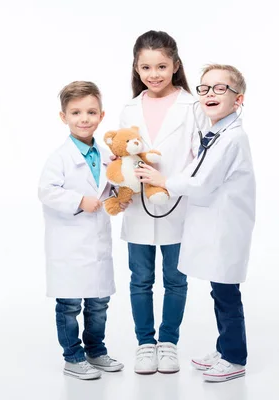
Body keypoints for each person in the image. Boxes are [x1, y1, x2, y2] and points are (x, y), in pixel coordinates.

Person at [134, 64, 255, 382]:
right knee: (219, 289)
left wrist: (163, 180)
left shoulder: (232, 139)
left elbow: (201, 182)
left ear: (238, 99)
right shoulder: (216, 134)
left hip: (227, 227)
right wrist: (170, 179)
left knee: (227, 292)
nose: (209, 94)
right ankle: (224, 346)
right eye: (204, 88)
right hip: (215, 225)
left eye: (219, 88)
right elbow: (193, 170)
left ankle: (234, 356)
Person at [119, 30, 207, 375]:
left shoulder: (193, 106)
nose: (153, 74)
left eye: (160, 66)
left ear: (175, 66)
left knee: (175, 279)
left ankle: (168, 342)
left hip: (177, 203)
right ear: (136, 69)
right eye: (146, 67)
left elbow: (202, 158)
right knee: (140, 279)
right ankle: (145, 344)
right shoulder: (129, 108)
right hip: (138, 207)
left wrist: (173, 182)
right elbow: (121, 152)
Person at [38, 81, 125, 380]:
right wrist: (79, 201)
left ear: (101, 116)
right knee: (70, 303)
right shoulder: (59, 157)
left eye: (90, 112)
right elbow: (46, 192)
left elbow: (112, 185)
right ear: (64, 117)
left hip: (97, 243)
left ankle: (96, 351)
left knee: (99, 302)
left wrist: (117, 197)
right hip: (69, 244)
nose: (83, 118)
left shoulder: (106, 155)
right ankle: (73, 357)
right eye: (76, 112)